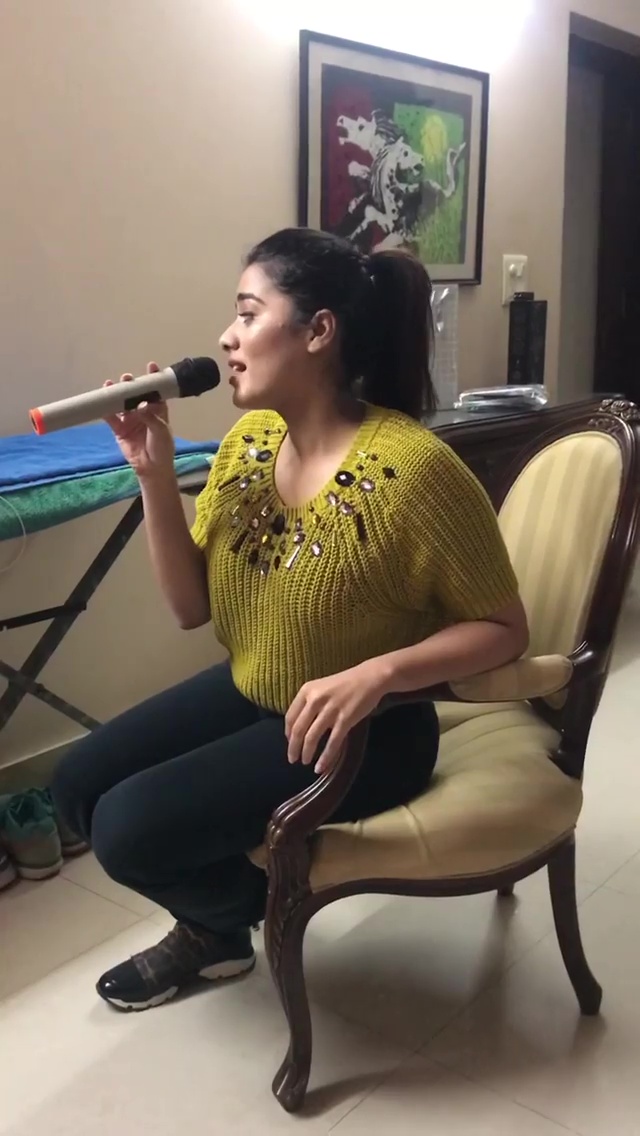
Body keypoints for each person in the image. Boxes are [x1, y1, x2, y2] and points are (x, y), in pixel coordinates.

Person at [52, 228, 528, 1012]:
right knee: (74, 788)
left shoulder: (414, 470)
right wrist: (153, 474)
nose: (226, 337)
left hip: (372, 730)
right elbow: (190, 608)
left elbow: (507, 629)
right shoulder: (249, 442)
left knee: (126, 830)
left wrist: (379, 673)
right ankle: (219, 928)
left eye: (248, 313)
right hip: (259, 690)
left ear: (318, 331)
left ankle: (237, 918)